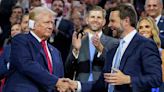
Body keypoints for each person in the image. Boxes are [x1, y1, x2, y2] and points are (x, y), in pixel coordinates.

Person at [66, 3, 162, 92]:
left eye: (112, 21)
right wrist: (77, 85)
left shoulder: (145, 44)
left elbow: (156, 78)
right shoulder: (114, 50)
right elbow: (102, 82)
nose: (109, 25)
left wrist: (129, 79)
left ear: (126, 21)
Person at [2, 7, 71, 92]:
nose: (50, 27)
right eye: (46, 22)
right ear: (32, 24)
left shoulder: (56, 52)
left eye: (52, 23)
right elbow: (26, 64)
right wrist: (56, 82)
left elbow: (60, 80)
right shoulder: (20, 40)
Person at [65, 5, 118, 82]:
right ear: (87, 20)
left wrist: (101, 50)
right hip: (80, 87)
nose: (95, 20)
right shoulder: (78, 41)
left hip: (102, 87)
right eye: (92, 17)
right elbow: (67, 69)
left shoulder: (114, 43)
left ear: (104, 22)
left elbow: (114, 66)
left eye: (99, 17)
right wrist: (75, 51)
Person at [137, 17, 164, 92]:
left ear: (153, 30)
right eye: (140, 28)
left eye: (147, 27)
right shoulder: (134, 52)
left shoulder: (162, 53)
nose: (143, 30)